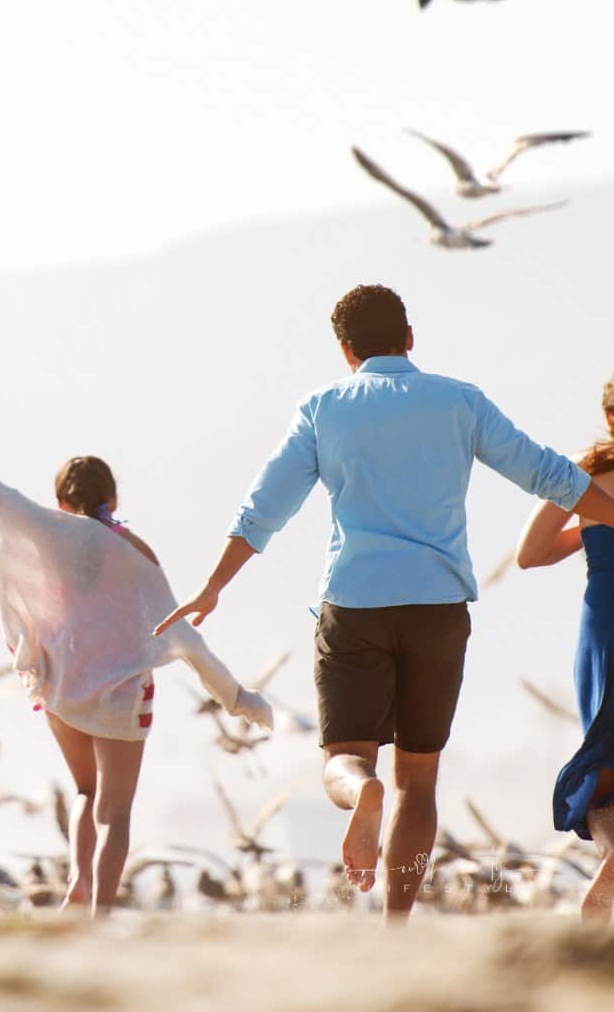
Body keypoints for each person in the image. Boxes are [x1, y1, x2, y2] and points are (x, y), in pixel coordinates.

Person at [155, 284, 614, 920]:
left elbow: (263, 509)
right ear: (410, 338)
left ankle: (360, 792)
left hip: (355, 607)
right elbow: (550, 474)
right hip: (437, 609)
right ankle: (397, 923)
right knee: (419, 780)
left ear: (346, 351)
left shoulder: (323, 408)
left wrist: (213, 586)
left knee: (344, 761)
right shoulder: (460, 400)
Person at [0, 400, 271, 915]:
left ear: (61, 499)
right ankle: (100, 910)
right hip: (122, 694)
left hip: (62, 685)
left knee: (85, 792)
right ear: (113, 496)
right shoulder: (137, 553)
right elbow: (182, 637)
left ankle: (77, 885)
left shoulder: (44, 529)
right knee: (115, 810)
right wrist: (236, 698)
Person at [517, 374, 614, 922]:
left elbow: (530, 553)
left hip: (603, 623)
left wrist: (595, 526)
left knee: (603, 763)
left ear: (608, 418)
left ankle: (605, 887)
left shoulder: (584, 469)